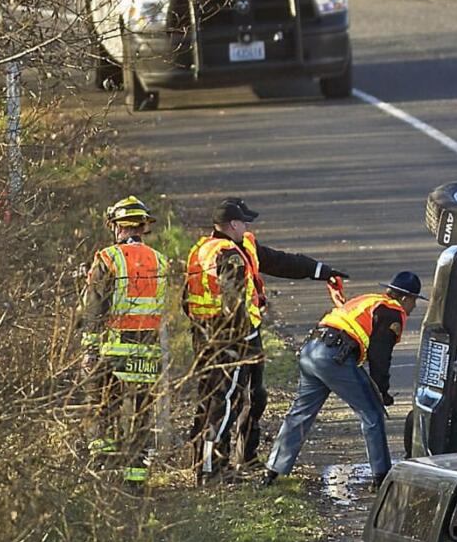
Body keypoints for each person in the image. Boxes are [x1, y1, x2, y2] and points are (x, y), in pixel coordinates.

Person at [183, 197, 348, 482]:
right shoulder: (225, 254)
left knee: (253, 397)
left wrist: (321, 271)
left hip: (228, 336)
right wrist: (236, 339)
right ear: (232, 224)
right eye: (244, 221)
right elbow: (230, 302)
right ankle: (211, 470)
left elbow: (279, 261)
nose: (247, 225)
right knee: (222, 402)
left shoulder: (233, 247)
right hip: (228, 341)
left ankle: (244, 456)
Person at [262, 270, 426, 489]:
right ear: (405, 298)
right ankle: (381, 477)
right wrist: (381, 392)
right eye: (414, 301)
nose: (413, 307)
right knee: (372, 414)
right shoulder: (392, 312)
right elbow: (380, 356)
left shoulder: (370, 300)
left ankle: (272, 471)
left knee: (301, 413)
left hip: (311, 350)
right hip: (334, 357)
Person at [81, 196, 169, 484]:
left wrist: (89, 349)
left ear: (116, 226)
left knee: (103, 407)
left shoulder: (107, 258)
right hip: (146, 352)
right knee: (140, 414)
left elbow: (96, 306)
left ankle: (102, 471)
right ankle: (136, 478)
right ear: (144, 226)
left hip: (111, 350)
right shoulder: (160, 260)